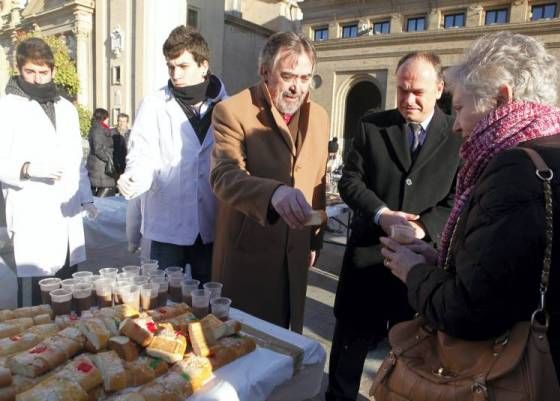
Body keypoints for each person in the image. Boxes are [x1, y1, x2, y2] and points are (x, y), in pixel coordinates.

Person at [380, 32, 560, 401]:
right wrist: (441, 260)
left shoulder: (514, 170)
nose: (455, 124)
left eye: (461, 107)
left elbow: (468, 310)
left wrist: (413, 271)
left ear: (501, 98)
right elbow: (510, 277)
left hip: (505, 377)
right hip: (557, 371)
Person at [326, 52, 462, 401]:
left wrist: (425, 228)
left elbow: (460, 196)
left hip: (420, 266)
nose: (408, 100)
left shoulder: (458, 135)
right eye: (402, 91)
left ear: (439, 89)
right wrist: (382, 214)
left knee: (412, 363)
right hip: (368, 258)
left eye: (417, 91)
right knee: (347, 356)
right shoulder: (373, 125)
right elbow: (350, 181)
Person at [210, 31, 329, 333]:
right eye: (288, 76)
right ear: (265, 72)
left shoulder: (319, 116)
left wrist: (314, 237)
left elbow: (318, 178)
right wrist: (273, 193)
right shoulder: (232, 111)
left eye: (305, 78)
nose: (296, 88)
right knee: (246, 347)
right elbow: (224, 175)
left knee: (288, 348)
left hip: (296, 253)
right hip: (249, 256)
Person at [117, 26, 227, 283]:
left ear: (203, 66)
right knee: (161, 302)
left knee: (207, 302)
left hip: (210, 225)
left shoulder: (226, 105)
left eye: (182, 66)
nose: (175, 74)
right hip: (167, 226)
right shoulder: (154, 104)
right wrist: (134, 177)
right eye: (170, 67)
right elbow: (141, 153)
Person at [0, 37, 97, 306]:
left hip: (66, 213)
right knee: (36, 299)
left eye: (43, 72)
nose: (37, 78)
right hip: (32, 212)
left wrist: (86, 198)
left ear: (53, 71)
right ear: (19, 70)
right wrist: (28, 169)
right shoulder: (6, 107)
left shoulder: (67, 109)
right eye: (30, 71)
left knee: (68, 292)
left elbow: (76, 161)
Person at [87, 108, 117, 197]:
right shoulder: (97, 129)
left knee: (106, 188)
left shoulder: (102, 128)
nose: (108, 119)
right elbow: (98, 149)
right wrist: (109, 159)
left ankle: (96, 207)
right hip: (100, 166)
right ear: (104, 117)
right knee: (107, 188)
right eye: (107, 117)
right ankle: (97, 207)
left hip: (101, 165)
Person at [112, 113, 129, 180]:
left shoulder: (131, 134)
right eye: (120, 121)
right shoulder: (111, 133)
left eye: (124, 121)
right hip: (115, 166)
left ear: (127, 123)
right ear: (117, 121)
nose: (122, 123)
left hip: (127, 165)